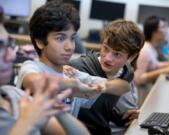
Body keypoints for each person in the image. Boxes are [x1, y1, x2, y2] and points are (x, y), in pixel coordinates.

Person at [16, 0, 130, 132]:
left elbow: (123, 87)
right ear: (40, 42)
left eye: (72, 38)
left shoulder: (74, 75)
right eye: (60, 38)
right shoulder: (31, 67)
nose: (69, 47)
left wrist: (99, 86)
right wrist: (75, 86)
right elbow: (36, 82)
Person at [0, 35, 91, 135]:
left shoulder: (13, 95)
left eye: (9, 44)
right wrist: (26, 122)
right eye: (0, 46)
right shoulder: (30, 68)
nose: (12, 55)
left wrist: (60, 112)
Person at [67, 19, 145, 135]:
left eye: (117, 54)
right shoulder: (77, 68)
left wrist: (124, 119)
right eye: (105, 48)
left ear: (131, 57)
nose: (108, 58)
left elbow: (100, 111)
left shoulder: (126, 73)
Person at [135, 16, 169, 105]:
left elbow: (155, 64)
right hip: (139, 97)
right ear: (154, 32)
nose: (166, 30)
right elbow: (138, 79)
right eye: (163, 27)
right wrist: (164, 71)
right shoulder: (145, 50)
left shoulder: (151, 48)